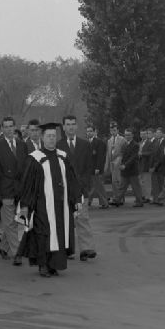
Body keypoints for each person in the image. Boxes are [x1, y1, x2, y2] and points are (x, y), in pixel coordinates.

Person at [16, 122, 81, 277]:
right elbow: (27, 184)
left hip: (61, 205)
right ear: (42, 137)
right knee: (43, 234)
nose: (52, 139)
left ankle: (54, 264)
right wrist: (25, 205)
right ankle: (43, 265)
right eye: (48, 136)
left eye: (53, 136)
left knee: (59, 233)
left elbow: (72, 180)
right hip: (42, 205)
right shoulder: (35, 158)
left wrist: (76, 198)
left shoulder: (62, 156)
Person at [57, 115, 97, 261]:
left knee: (83, 218)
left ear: (77, 126)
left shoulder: (85, 145)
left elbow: (89, 167)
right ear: (63, 127)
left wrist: (84, 185)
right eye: (68, 124)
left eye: (73, 124)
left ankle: (86, 248)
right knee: (65, 221)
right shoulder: (58, 146)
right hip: (64, 190)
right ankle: (67, 249)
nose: (71, 127)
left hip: (81, 188)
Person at [0, 116, 29, 260]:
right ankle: (17, 252)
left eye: (11, 126)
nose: (8, 129)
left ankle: (3, 248)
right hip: (5, 189)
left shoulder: (22, 145)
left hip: (20, 189)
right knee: (10, 222)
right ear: (2, 129)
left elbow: (25, 167)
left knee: (17, 220)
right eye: (5, 127)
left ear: (15, 127)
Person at [113, 127, 144, 207]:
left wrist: (125, 165)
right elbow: (121, 155)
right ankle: (117, 200)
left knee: (136, 187)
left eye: (129, 135)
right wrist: (118, 163)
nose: (127, 136)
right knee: (122, 187)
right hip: (124, 170)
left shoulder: (135, 145)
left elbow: (133, 158)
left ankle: (139, 202)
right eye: (126, 135)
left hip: (132, 170)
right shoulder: (124, 144)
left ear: (132, 135)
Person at [86, 124, 109, 209]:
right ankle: (88, 201)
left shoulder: (99, 142)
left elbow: (101, 157)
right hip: (89, 169)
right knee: (91, 187)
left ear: (94, 132)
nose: (89, 133)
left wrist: (98, 168)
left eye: (90, 131)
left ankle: (104, 203)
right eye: (87, 131)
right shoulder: (86, 142)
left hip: (96, 169)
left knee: (99, 187)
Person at [107, 122, 126, 203]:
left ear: (118, 130)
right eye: (111, 130)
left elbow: (124, 152)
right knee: (113, 181)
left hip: (119, 161)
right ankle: (116, 197)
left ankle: (120, 198)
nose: (113, 132)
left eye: (114, 130)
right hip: (112, 162)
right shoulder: (109, 140)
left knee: (118, 180)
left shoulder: (122, 139)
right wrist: (108, 163)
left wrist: (121, 161)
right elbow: (108, 153)